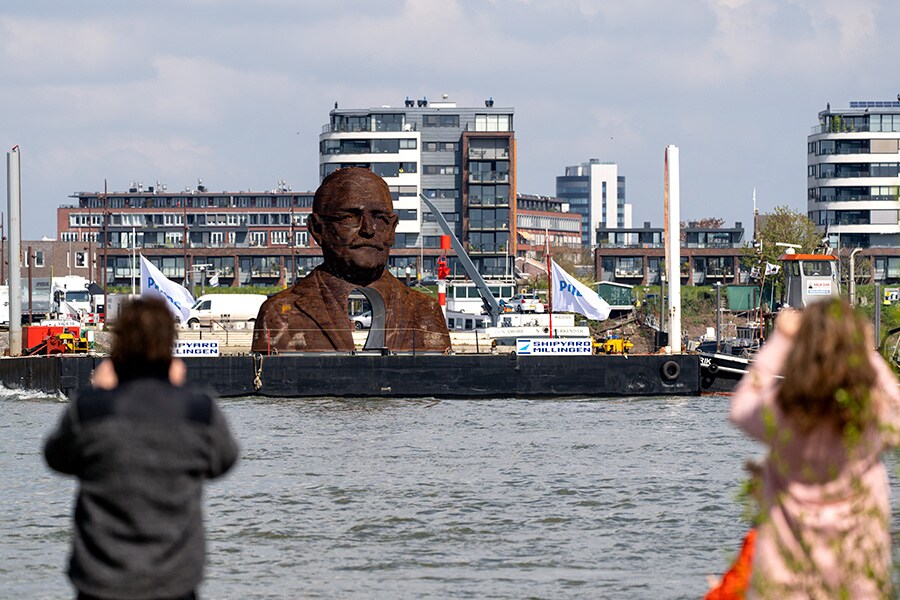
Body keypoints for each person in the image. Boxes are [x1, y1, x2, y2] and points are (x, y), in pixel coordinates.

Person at [44, 298, 239, 600]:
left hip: (101, 581)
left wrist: (97, 394)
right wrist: (180, 391)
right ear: (169, 343)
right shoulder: (199, 411)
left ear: (119, 345)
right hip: (174, 581)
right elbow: (224, 460)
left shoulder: (89, 411)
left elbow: (56, 457)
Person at [730, 299, 900, 599]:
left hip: (785, 579)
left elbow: (741, 407)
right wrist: (866, 352)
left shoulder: (783, 410)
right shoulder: (869, 414)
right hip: (858, 574)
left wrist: (780, 340)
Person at [251, 167, 450, 353]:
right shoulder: (279, 313)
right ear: (317, 229)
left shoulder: (424, 310)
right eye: (349, 218)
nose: (368, 229)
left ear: (392, 230)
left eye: (380, 218)